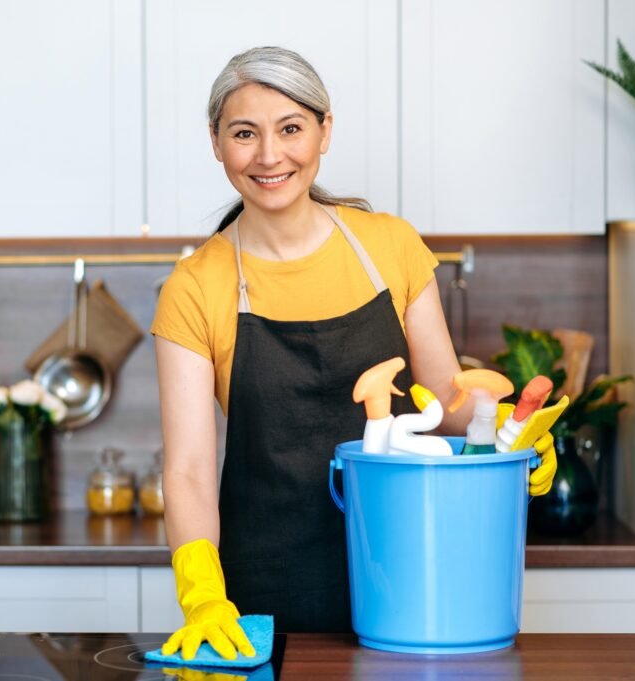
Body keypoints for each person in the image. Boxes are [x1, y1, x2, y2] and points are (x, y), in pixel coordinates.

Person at [150, 46, 557, 659]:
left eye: (291, 128)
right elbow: (187, 471)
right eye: (244, 133)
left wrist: (505, 431)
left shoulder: (390, 247)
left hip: (410, 571)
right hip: (266, 587)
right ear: (216, 143)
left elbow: (446, 406)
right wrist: (203, 595)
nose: (269, 155)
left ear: (325, 131)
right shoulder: (195, 286)